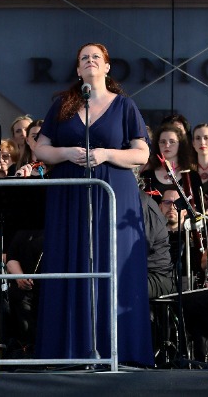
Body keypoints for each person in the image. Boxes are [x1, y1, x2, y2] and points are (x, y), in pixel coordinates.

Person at [33, 42, 152, 365]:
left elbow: (142, 153)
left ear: (107, 67)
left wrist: (106, 154)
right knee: (70, 263)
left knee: (112, 262)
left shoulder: (125, 106)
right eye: (84, 57)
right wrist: (66, 153)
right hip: (69, 197)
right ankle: (69, 351)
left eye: (96, 57)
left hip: (113, 195)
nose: (90, 61)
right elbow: (41, 148)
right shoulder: (63, 106)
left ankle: (119, 351)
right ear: (77, 69)